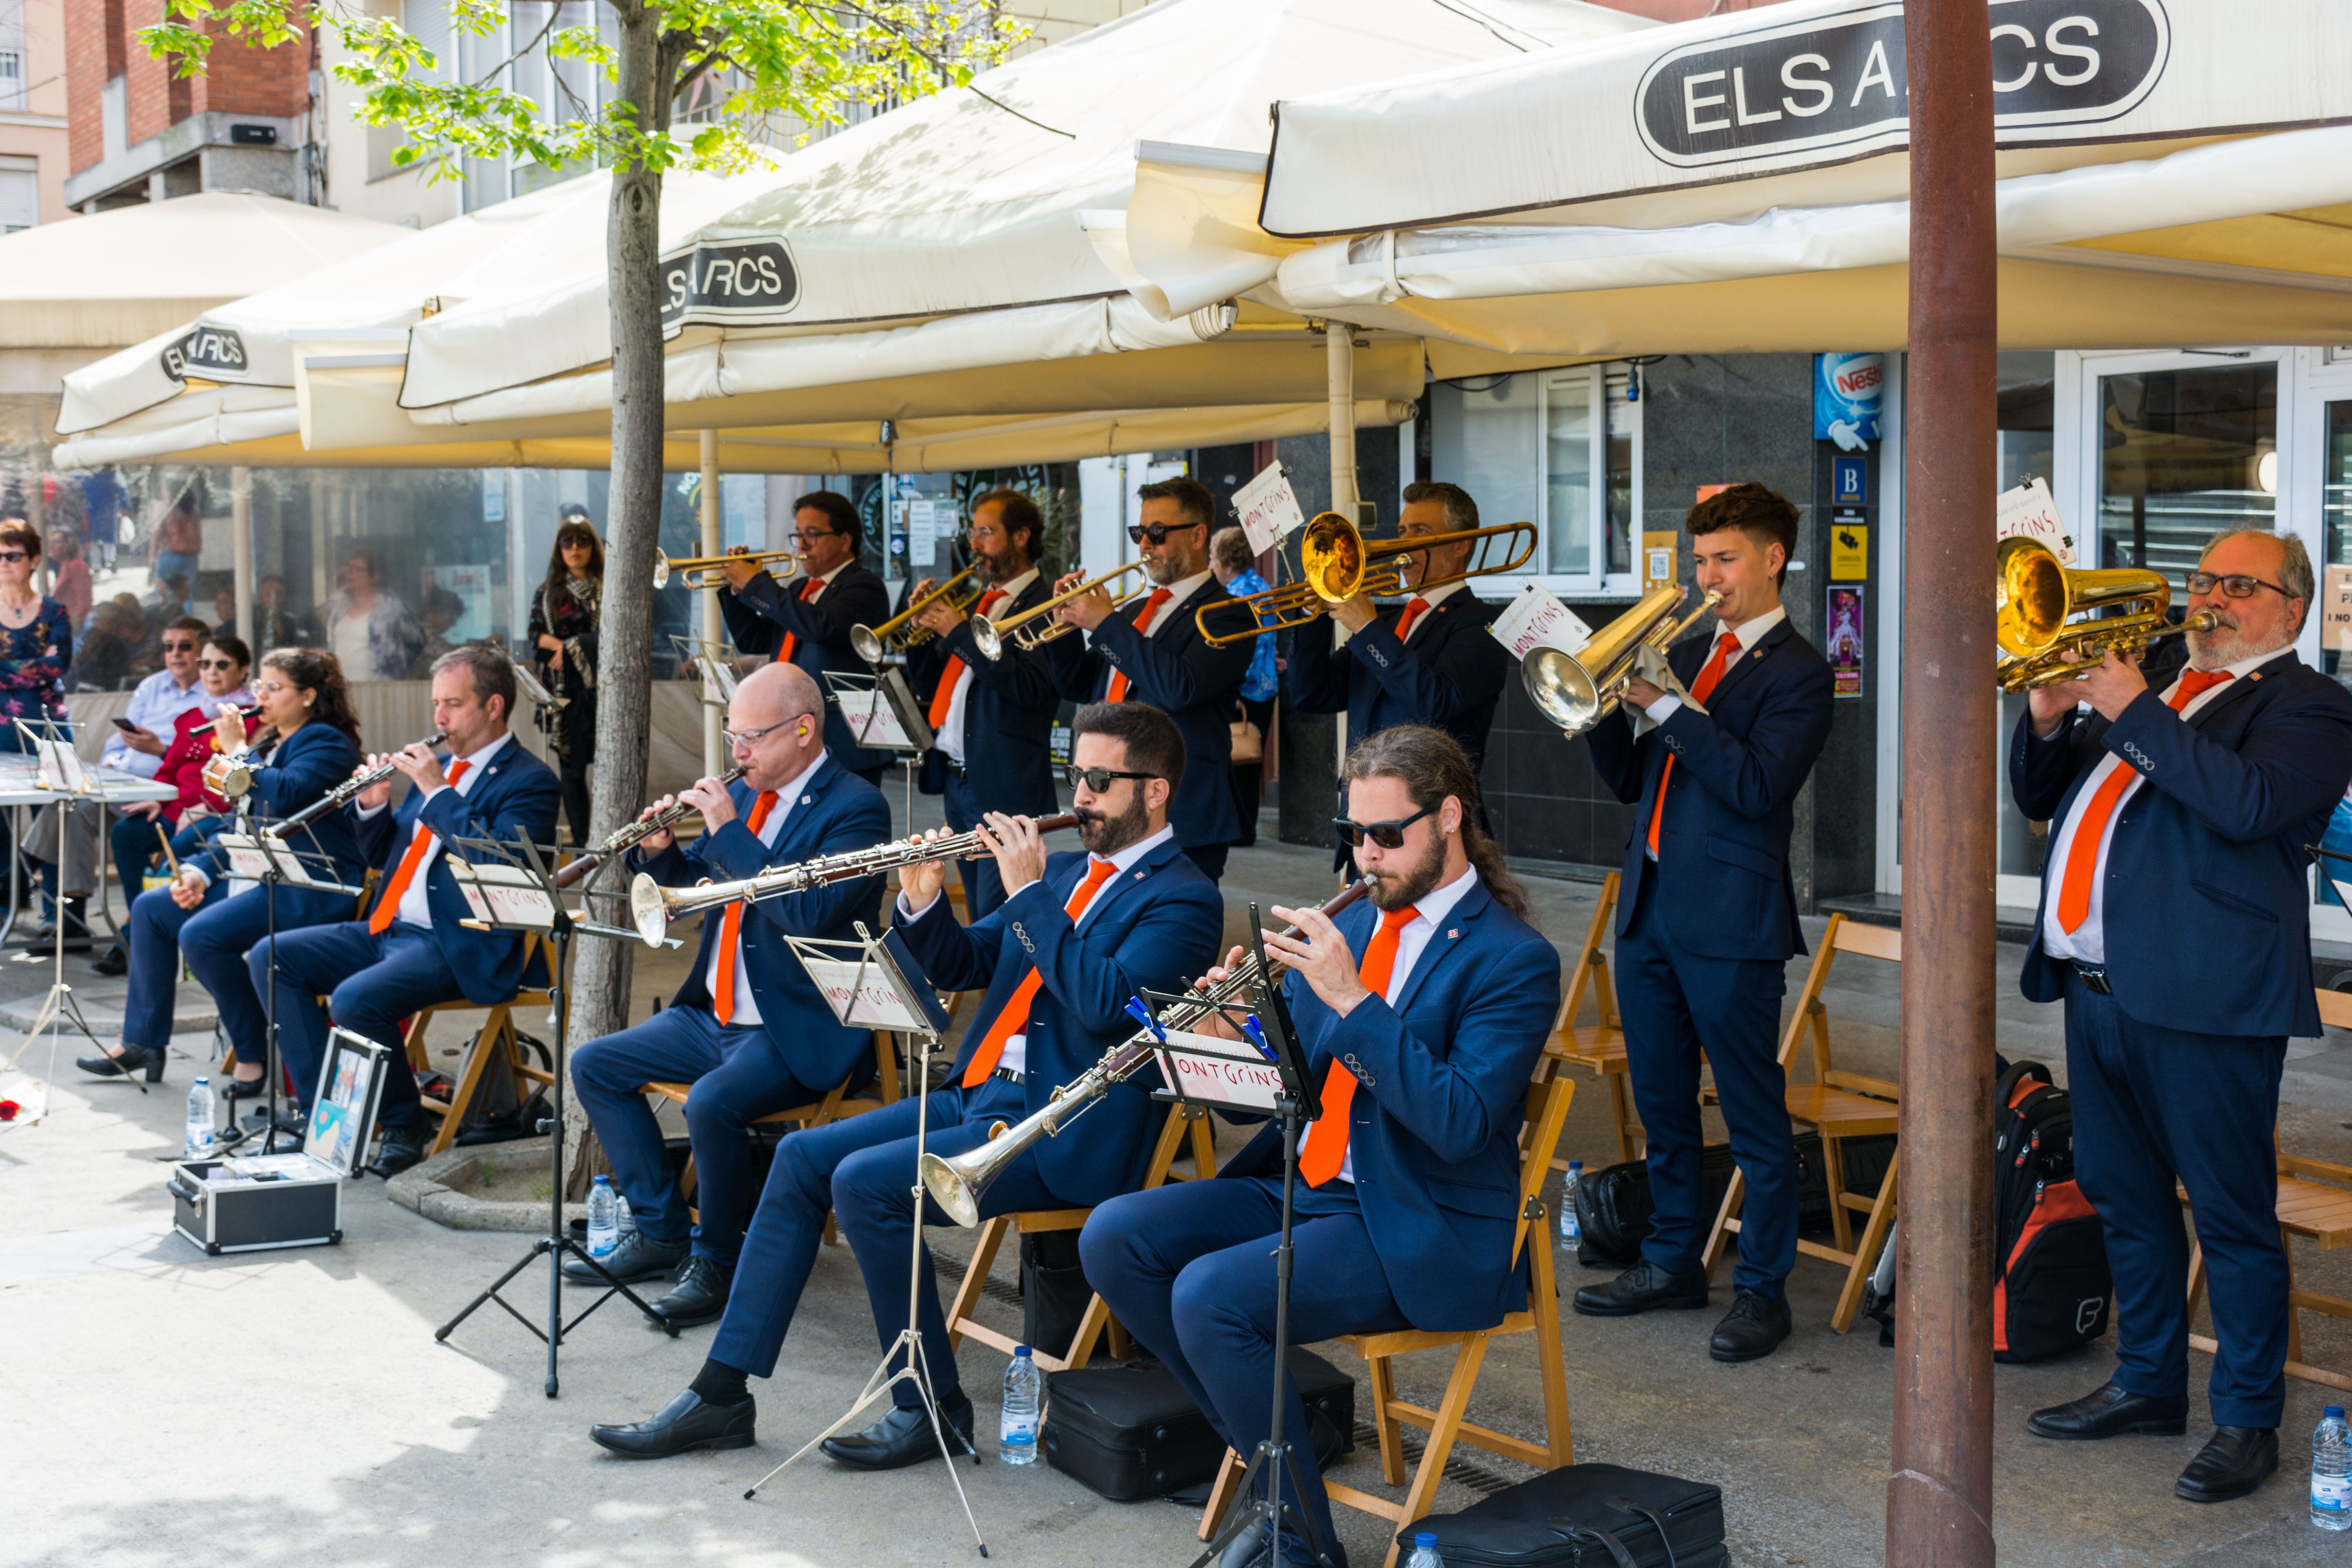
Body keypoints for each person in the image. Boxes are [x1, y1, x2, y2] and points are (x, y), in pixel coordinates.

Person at [588, 702, 1222, 1463]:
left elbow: (1102, 1003)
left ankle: (931, 1406)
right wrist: (922, 896)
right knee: (800, 1158)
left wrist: (1026, 895)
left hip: (1063, 1125)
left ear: (1154, 791)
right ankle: (722, 1391)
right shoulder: (1063, 872)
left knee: (866, 1183)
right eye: (1073, 774)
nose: (1078, 794)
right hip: (983, 1096)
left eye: (1097, 779)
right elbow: (966, 962)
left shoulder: (1184, 897)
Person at [1081, 725, 1560, 1568]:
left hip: (1417, 1217)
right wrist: (1228, 1036)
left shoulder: (1514, 960)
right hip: (1313, 1180)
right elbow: (1284, 1092)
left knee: (1211, 1295)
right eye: (1353, 834)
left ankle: (1298, 1537)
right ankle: (1276, 1456)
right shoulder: (1361, 925)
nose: (1366, 854)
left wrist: (1351, 996)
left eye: (1386, 834)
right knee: (1115, 1236)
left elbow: (1458, 1121)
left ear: (1450, 817)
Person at [2016, 529, 2352, 1504]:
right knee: (2125, 1198)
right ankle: (2148, 1381)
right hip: (2101, 992)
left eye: (2238, 585)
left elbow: (2246, 806)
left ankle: (2247, 1421)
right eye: (2203, 579)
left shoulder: (2311, 705)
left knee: (2233, 1215)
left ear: (2290, 606)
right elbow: (2042, 793)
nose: (2210, 598)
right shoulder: (2159, 677)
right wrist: (2046, 716)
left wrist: (2131, 709)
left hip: (2208, 1000)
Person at [1570, 482, 1833, 1365]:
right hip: (1650, 909)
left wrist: (1665, 704)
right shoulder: (1693, 650)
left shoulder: (1800, 669)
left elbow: (1757, 785)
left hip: (1731, 920)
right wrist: (1602, 704)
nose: (1707, 577)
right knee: (1662, 1104)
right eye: (1701, 561)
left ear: (1772, 559)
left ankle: (1763, 1286)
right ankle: (1672, 1256)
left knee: (1756, 1115)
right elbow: (1633, 781)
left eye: (1724, 560)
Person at [568, 662, 892, 1326]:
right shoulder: (745, 797)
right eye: (731, 735)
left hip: (791, 1026)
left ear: (803, 731)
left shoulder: (855, 806)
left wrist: (727, 831)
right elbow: (693, 892)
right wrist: (659, 853)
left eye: (751, 737)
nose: (737, 753)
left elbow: (811, 909)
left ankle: (719, 1259)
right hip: (713, 1014)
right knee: (594, 1063)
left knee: (714, 1102)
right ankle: (662, 1232)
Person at [247, 647, 561, 1171]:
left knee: (354, 1000)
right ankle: (321, 1113)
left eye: (453, 704)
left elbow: (502, 862)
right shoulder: (441, 769)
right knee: (270, 957)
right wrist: (372, 811)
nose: (439, 718)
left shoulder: (529, 780)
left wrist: (437, 792)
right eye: (436, 703)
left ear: (494, 706)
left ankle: (402, 1120)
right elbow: (385, 857)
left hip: (461, 941)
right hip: (391, 928)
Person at [76, 648, 367, 1089]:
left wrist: (234, 748)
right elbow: (237, 820)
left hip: (311, 884)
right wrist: (199, 872)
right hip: (261, 875)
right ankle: (143, 1040)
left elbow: (283, 797)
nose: (261, 696)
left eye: (274, 687)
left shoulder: (327, 742)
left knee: (202, 935)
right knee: (154, 908)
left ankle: (252, 1050)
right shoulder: (273, 741)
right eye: (259, 687)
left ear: (308, 695)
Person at [1288, 481, 1510, 865]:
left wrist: (1368, 629)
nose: (1403, 545)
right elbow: (1313, 694)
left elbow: (1436, 701)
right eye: (1402, 532)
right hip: (1363, 828)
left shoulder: (1482, 624)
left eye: (1420, 532)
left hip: (1430, 828)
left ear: (1461, 544)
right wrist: (1313, 619)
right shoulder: (1388, 624)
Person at [1051, 476, 1252, 882]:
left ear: (1198, 536)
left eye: (1157, 533)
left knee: (1177, 932)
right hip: (1114, 801)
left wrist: (1105, 623)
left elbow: (1181, 688)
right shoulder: (1134, 611)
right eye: (1139, 532)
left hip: (1184, 807)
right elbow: (1080, 686)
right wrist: (1066, 629)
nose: (1145, 544)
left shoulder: (1228, 614)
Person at [905, 488, 1073, 916]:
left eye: (986, 532)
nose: (974, 544)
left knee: (1000, 911)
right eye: (973, 532)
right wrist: (920, 631)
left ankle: (1001, 986)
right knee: (979, 911)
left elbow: (1033, 691)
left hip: (1006, 780)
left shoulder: (1044, 604)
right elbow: (931, 683)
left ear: (1021, 536)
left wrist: (960, 633)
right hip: (959, 779)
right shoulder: (982, 602)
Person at [44, 616, 224, 972]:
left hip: (171, 794)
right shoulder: (152, 686)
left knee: (126, 836)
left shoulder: (214, 694)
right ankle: (73, 916)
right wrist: (110, 766)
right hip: (126, 781)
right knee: (71, 805)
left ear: (202, 650)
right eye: (168, 647)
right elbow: (117, 740)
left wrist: (160, 749)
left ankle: (135, 929)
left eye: (185, 647)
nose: (175, 655)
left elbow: (205, 758)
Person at [717, 491, 893, 785]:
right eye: (798, 534)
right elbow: (754, 641)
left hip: (844, 740)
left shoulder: (865, 586)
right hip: (795, 738)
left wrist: (758, 585)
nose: (801, 544)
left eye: (812, 534)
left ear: (845, 540)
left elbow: (821, 627)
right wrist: (739, 592)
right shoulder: (799, 588)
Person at [527, 509, 603, 844]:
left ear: (593, 547)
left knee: (609, 764)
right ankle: (586, 842)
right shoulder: (548, 592)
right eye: (567, 543)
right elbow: (536, 637)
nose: (575, 548)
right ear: (559, 550)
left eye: (583, 541)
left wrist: (572, 648)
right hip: (563, 694)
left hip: (604, 690)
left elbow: (618, 635)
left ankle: (609, 836)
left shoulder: (608, 587)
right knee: (571, 772)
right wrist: (569, 650)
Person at [1210, 525, 1279, 847]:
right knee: (1251, 760)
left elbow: (1244, 647)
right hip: (1265, 687)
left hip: (1244, 690)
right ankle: (1245, 827)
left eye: (1213, 558)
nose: (1210, 565)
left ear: (1226, 562)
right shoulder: (1261, 585)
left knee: (1234, 759)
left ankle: (1238, 830)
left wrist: (1233, 691)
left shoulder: (1237, 594)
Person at [323, 549, 423, 682]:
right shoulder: (338, 605)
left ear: (375, 576)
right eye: (349, 567)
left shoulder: (392, 607)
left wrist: (395, 668)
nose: (350, 573)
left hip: (379, 688)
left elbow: (415, 642)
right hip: (341, 688)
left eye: (360, 569)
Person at [73, 602, 131, 692]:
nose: (121, 631)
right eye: (120, 626)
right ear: (111, 623)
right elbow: (118, 681)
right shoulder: (113, 644)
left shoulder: (76, 639)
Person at [149, 497, 201, 594]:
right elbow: (198, 532)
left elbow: (158, 532)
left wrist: (152, 555)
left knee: (163, 592)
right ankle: (185, 610)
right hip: (190, 556)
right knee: (187, 593)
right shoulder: (194, 508)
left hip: (168, 554)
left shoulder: (164, 507)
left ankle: (169, 609)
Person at [252, 575, 313, 649]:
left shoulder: (289, 622)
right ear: (261, 598)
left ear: (284, 597)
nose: (274, 599)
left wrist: (283, 634)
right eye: (268, 595)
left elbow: (298, 647)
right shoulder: (252, 620)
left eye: (279, 594)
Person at [46, 530, 91, 629]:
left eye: (56, 543)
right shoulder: (64, 566)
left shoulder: (77, 566)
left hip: (75, 625)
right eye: (50, 543)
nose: (51, 547)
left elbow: (84, 601)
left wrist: (76, 625)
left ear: (68, 545)